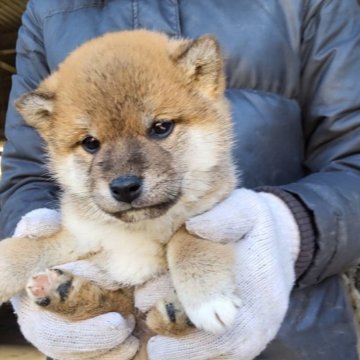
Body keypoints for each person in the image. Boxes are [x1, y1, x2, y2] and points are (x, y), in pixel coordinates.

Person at [1, 0, 360, 359]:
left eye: (160, 128)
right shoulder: (49, 9)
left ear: (202, 74)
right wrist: (26, 239)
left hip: (293, 337)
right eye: (91, 144)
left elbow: (352, 158)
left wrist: (293, 230)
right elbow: (26, 175)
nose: (123, 177)